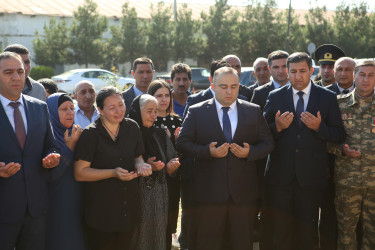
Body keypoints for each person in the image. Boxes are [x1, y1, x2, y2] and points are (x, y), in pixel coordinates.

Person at [177, 67, 274, 250]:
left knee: (241, 243)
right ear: (212, 85)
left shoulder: (253, 111)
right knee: (208, 243)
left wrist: (250, 153)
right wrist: (207, 151)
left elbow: (268, 143)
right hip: (209, 193)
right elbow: (182, 143)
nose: (229, 91)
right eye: (223, 86)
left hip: (243, 195)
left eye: (234, 86)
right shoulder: (197, 111)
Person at [263, 52, 345, 250]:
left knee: (307, 233)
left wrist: (319, 127)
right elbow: (261, 134)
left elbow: (339, 135)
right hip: (280, 178)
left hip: (311, 179)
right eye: (293, 71)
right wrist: (277, 127)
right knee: (281, 232)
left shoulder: (327, 97)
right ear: (287, 72)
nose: (297, 76)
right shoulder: (275, 96)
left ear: (311, 71)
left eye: (302, 71)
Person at [74, 86, 152, 250]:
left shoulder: (132, 127)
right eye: (112, 107)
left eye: (121, 105)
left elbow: (137, 157)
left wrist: (142, 166)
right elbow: (80, 173)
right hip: (101, 211)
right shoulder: (91, 134)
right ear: (100, 110)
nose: (119, 111)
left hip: (129, 207)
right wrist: (113, 173)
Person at [0, 52, 60, 249]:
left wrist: (51, 157)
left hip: (35, 208)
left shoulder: (39, 108)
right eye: (8, 72)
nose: (16, 77)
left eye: (20, 71)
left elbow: (50, 145)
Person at [328, 60, 375, 250]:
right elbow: (325, 139)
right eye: (362, 74)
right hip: (348, 182)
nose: (366, 79)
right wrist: (341, 150)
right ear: (354, 76)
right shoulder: (338, 105)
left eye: (371, 75)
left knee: (372, 235)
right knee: (346, 234)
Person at [128, 94, 180, 250]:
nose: (154, 115)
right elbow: (120, 163)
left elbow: (172, 158)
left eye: (156, 111)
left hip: (159, 197)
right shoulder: (127, 134)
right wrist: (142, 167)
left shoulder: (160, 133)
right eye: (149, 111)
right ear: (138, 110)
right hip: (136, 197)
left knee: (157, 237)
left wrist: (171, 167)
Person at [250, 50, 289, 250]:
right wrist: (276, 127)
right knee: (269, 214)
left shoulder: (303, 90)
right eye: (276, 67)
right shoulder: (260, 93)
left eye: (284, 66)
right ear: (270, 69)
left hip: (297, 165)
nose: (281, 71)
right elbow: (255, 131)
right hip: (268, 165)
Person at [319, 56, 355, 250]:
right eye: (339, 69)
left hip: (359, 169)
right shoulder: (323, 95)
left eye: (348, 70)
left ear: (355, 72)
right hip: (330, 165)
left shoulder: (366, 94)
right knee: (328, 213)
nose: (342, 73)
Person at [45, 93, 89, 250]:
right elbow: (52, 176)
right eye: (64, 109)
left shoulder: (79, 134)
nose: (70, 112)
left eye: (72, 108)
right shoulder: (46, 139)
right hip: (57, 204)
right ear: (51, 112)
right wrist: (69, 148)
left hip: (80, 201)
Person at [148, 80, 183, 249]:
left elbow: (182, 154)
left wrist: (176, 142)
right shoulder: (147, 122)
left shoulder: (178, 121)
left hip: (172, 179)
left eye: (167, 95)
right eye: (158, 96)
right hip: (152, 181)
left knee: (169, 225)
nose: (163, 99)